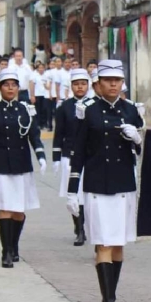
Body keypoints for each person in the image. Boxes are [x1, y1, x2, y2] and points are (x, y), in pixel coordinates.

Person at [66, 59, 144, 302]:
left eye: (118, 80)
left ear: (123, 83)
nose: (113, 84)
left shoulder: (132, 111)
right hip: (97, 184)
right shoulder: (87, 111)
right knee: (103, 243)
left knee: (119, 244)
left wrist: (137, 140)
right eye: (108, 80)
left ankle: (110, 294)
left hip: (123, 184)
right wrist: (71, 191)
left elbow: (140, 152)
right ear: (97, 84)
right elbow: (78, 151)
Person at [0, 69, 46, 268]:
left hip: (20, 163)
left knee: (19, 211)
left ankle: (14, 245)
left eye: (13, 85)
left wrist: (41, 155)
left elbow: (34, 135)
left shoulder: (26, 110)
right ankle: (6, 251)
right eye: (6, 85)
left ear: (18, 88)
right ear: (0, 88)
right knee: (5, 207)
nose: (10, 88)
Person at [52, 68, 91, 247]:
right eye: (76, 84)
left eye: (83, 84)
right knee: (74, 195)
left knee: (88, 194)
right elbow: (58, 133)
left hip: (91, 155)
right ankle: (79, 229)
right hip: (70, 154)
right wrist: (56, 157)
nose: (80, 87)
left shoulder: (95, 105)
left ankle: (88, 227)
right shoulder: (65, 107)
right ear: (71, 86)